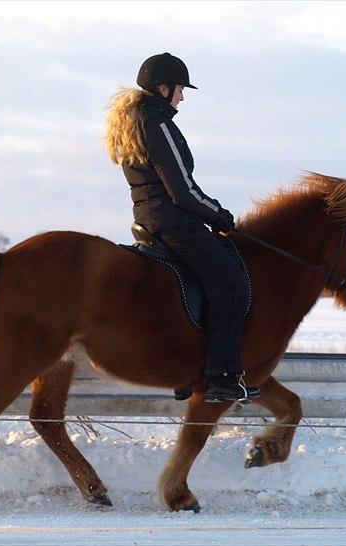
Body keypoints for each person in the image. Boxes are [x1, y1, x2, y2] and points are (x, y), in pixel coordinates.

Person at [104, 52, 260, 403]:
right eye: (179, 90)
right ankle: (221, 376)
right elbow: (182, 191)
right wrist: (219, 215)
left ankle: (187, 367)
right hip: (173, 222)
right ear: (163, 89)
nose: (182, 97)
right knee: (233, 285)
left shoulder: (137, 122)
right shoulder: (157, 125)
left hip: (151, 221)